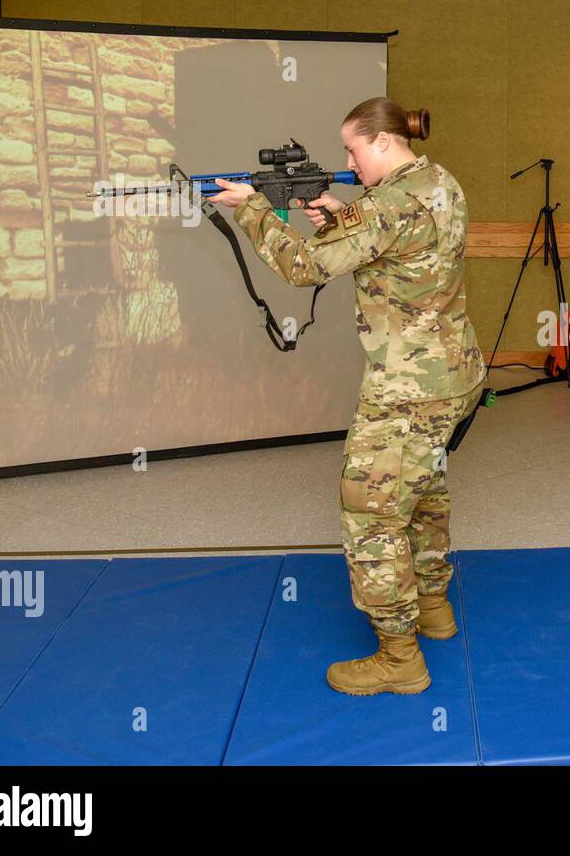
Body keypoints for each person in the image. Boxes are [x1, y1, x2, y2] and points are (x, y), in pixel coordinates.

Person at [209, 98, 486, 695]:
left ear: (383, 142)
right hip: (454, 376)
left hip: (406, 389)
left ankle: (398, 659)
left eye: (353, 150)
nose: (348, 163)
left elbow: (306, 268)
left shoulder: (386, 204)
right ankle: (435, 609)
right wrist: (342, 213)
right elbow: (396, 244)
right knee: (426, 491)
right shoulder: (438, 183)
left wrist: (252, 210)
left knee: (373, 514)